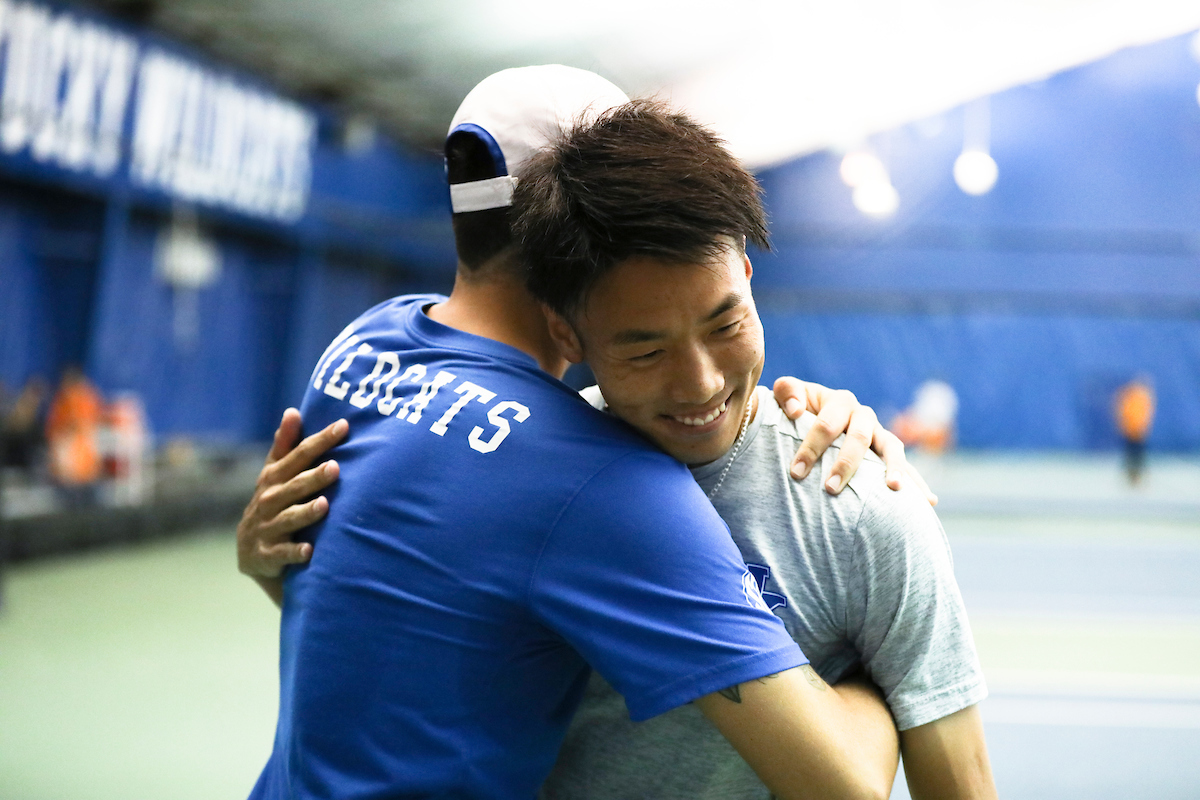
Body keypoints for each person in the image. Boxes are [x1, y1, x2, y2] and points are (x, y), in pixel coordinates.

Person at [242, 66, 903, 800]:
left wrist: (264, 563)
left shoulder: (364, 345)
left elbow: (391, 617)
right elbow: (844, 788)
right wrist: (885, 663)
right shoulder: (600, 479)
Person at [517, 100, 994, 800]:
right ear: (566, 337)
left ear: (745, 273)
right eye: (646, 350)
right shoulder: (518, 483)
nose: (701, 383)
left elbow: (961, 783)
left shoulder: (863, 511)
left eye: (726, 323)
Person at [1114, 376, 1154, 486]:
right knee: (1133, 454)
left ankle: (1136, 476)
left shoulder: (1140, 398)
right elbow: (1128, 414)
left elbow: (1143, 415)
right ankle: (1131, 476)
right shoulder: (1133, 398)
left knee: (1137, 455)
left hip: (1137, 431)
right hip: (1133, 430)